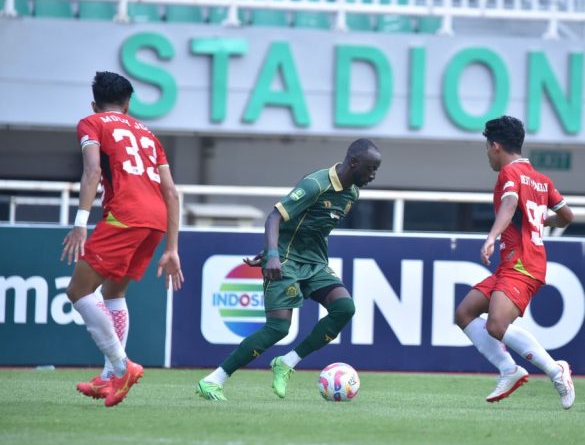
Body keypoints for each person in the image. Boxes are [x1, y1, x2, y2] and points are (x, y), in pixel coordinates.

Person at [197, 139, 382, 401]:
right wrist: (272, 254)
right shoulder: (316, 184)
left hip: (315, 263)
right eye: (371, 168)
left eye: (376, 169)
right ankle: (213, 380)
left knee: (345, 309)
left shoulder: (351, 194)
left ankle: (287, 362)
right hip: (285, 261)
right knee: (278, 329)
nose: (373, 175)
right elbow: (274, 216)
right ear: (354, 163)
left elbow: (310, 226)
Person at [61, 71, 184, 408]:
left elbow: (92, 172)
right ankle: (107, 378)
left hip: (125, 216)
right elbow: (171, 192)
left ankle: (121, 366)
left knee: (78, 291)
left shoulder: (92, 122)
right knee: (114, 291)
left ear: (94, 103)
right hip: (156, 220)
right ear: (128, 103)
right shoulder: (148, 133)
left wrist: (80, 223)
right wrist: (172, 248)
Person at [454, 116, 576, 409]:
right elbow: (567, 217)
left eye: (487, 147)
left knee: (497, 324)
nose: (487, 154)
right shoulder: (541, 179)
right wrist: (537, 221)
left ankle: (556, 371)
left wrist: (491, 237)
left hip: (523, 264)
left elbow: (509, 204)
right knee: (465, 313)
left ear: (495, 146)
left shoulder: (509, 174)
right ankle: (509, 369)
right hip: (513, 263)